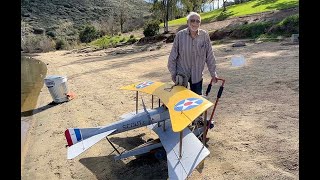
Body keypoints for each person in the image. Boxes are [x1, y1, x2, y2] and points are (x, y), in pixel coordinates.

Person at [167, 11, 218, 95]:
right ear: (188, 22)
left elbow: (209, 56)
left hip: (197, 75)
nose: (195, 23)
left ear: (200, 24)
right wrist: (173, 73)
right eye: (192, 20)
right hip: (182, 75)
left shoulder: (204, 35)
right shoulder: (180, 35)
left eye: (197, 21)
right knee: (181, 101)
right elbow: (173, 56)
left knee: (196, 103)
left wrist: (213, 73)